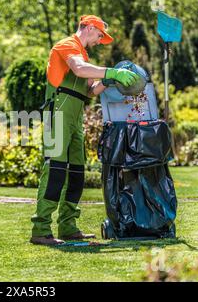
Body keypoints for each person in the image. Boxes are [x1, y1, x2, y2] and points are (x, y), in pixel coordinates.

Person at [30, 15, 140, 245]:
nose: (100, 41)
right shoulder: (67, 45)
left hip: (76, 114)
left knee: (77, 174)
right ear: (89, 28)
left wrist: (108, 82)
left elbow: (90, 91)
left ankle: (68, 226)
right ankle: (41, 229)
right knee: (55, 170)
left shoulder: (84, 54)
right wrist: (110, 72)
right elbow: (79, 70)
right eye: (100, 35)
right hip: (58, 112)